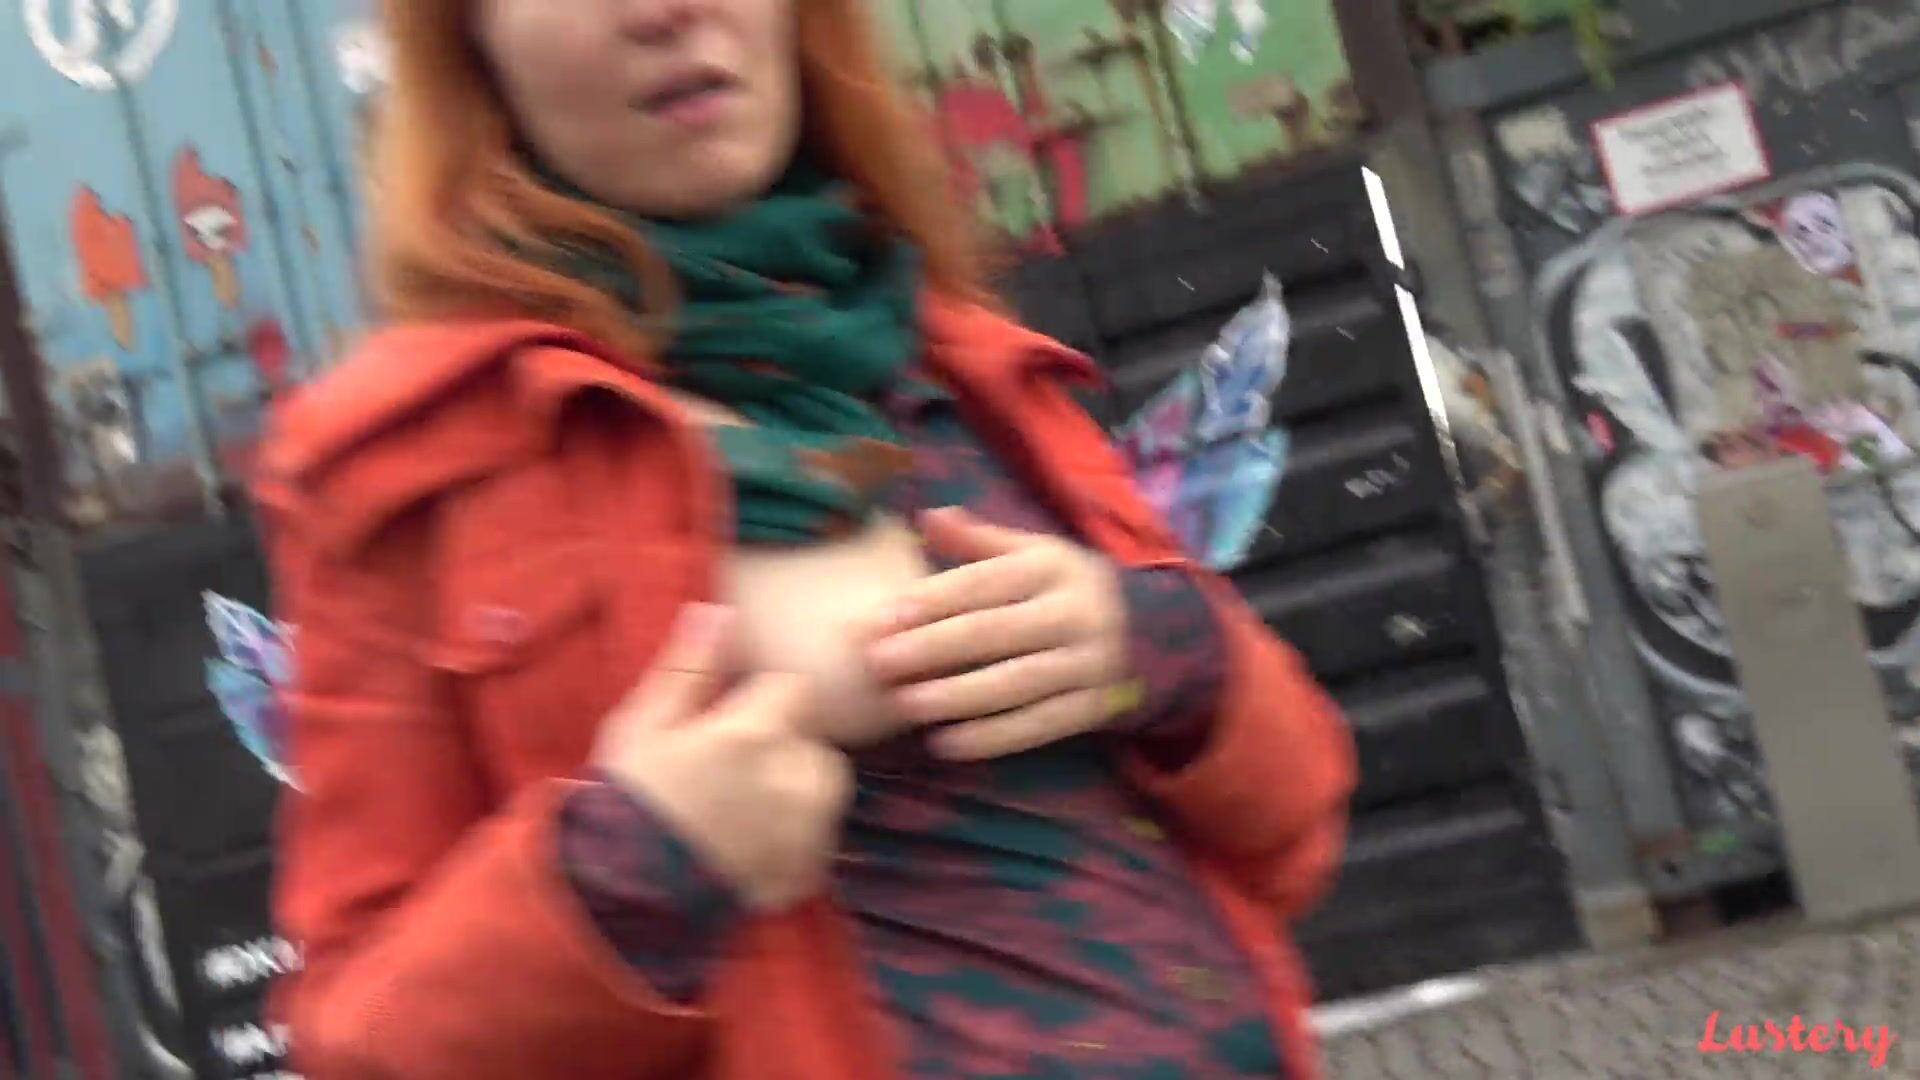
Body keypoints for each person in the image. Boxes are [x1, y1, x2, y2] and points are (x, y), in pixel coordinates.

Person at [254, 1, 1355, 1077]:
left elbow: (1293, 829)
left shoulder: (961, 362)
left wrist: (1164, 651)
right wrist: (627, 870)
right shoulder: (403, 463)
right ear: (471, 45)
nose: (670, 12)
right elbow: (359, 1042)